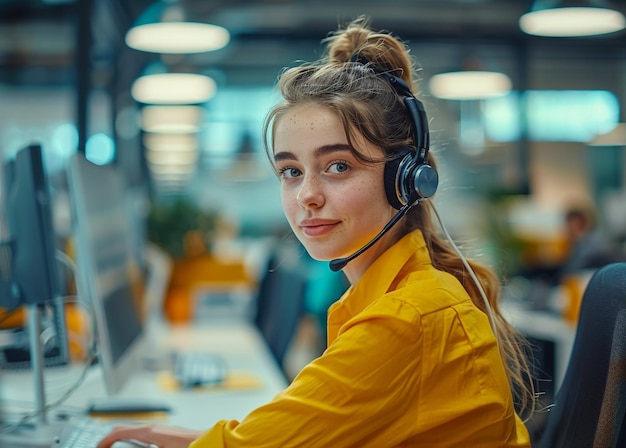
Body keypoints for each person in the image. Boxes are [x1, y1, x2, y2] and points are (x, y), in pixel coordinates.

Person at [98, 16, 535, 448]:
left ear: (405, 178)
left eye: (338, 166)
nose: (307, 194)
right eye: (290, 171)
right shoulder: (391, 300)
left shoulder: (406, 321)